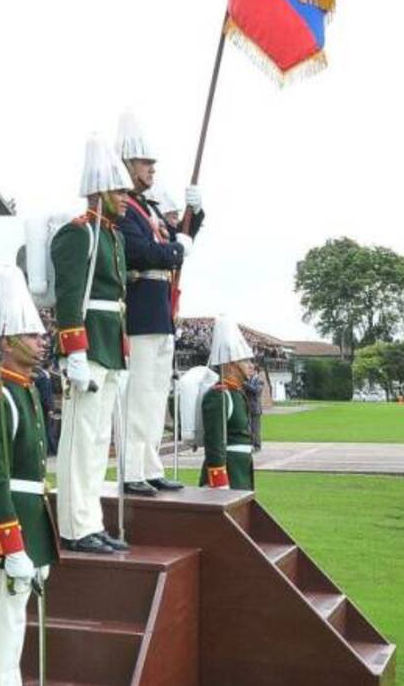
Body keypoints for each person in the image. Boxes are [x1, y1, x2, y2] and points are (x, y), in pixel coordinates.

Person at [0, 267, 58, 686]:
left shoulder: (27, 393)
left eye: (42, 335)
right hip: (7, 532)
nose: (42, 341)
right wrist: (12, 545)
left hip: (27, 527)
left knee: (13, 631)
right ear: (7, 341)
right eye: (32, 334)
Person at [114, 111, 202, 496]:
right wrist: (174, 250)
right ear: (128, 165)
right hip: (140, 308)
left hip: (159, 308)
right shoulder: (124, 210)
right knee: (139, 396)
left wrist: (194, 217)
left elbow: (172, 237)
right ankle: (132, 469)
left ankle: (150, 464)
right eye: (146, 163)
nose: (152, 169)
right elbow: (140, 250)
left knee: (154, 396)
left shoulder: (146, 208)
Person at [51, 134, 131, 554]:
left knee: (99, 441)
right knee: (80, 440)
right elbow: (69, 295)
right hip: (88, 345)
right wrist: (74, 350)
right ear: (100, 190)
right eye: (119, 190)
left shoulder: (113, 237)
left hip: (109, 344)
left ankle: (91, 520)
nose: (125, 197)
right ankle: (74, 526)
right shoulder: (77, 233)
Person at [200, 316, 256, 491]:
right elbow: (215, 442)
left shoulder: (236, 393)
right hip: (227, 475)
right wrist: (219, 481)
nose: (251, 365)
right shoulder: (219, 395)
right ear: (232, 364)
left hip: (240, 472)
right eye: (245, 361)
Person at [244, 369, 264, 452]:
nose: (249, 371)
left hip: (256, 408)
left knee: (255, 428)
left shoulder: (260, 380)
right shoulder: (248, 380)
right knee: (248, 428)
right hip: (248, 407)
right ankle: (250, 444)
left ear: (256, 371)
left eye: (251, 370)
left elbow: (256, 390)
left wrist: (246, 385)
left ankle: (257, 445)